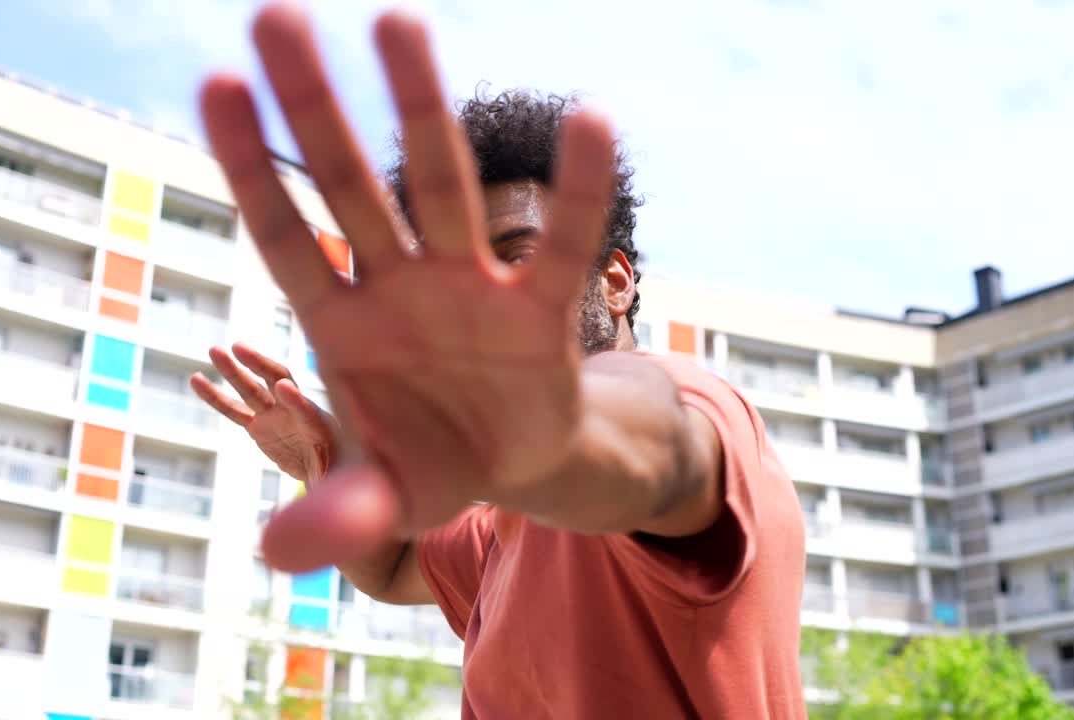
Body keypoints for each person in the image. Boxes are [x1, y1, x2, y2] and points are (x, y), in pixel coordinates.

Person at [191, 3, 806, 717]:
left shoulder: (686, 406)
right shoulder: (512, 522)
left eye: (516, 257)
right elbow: (390, 565)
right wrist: (325, 460)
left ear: (614, 281)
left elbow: (666, 454)